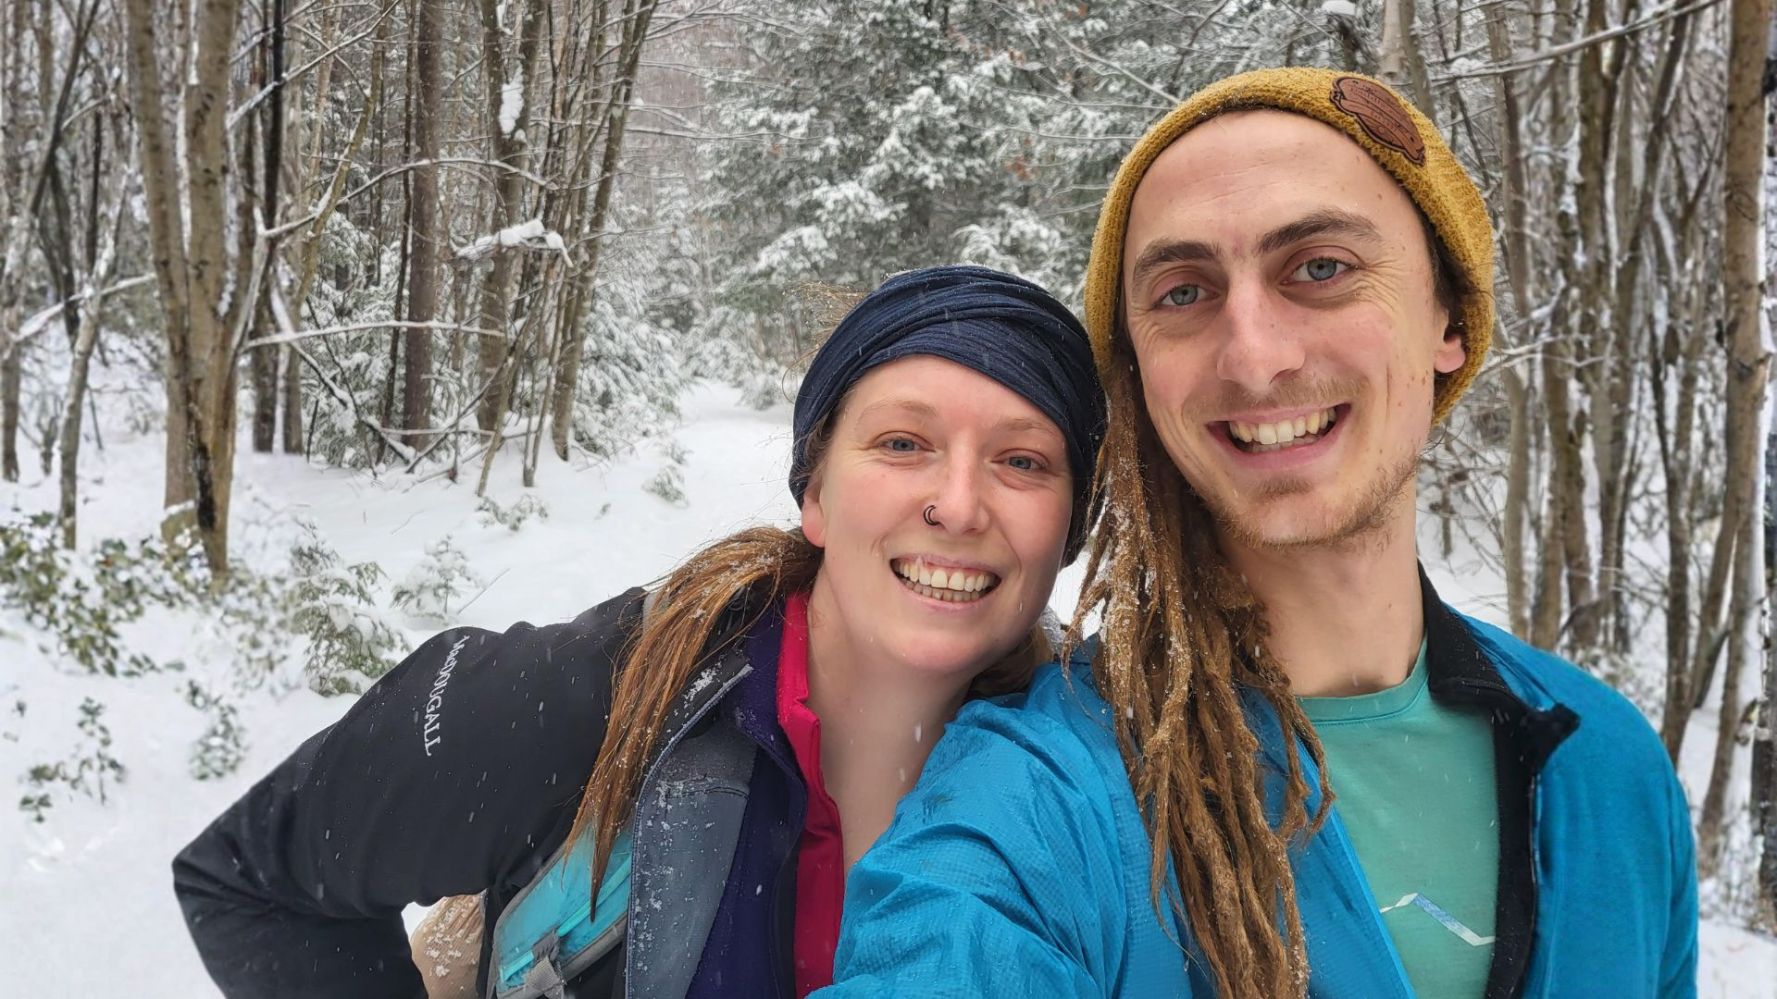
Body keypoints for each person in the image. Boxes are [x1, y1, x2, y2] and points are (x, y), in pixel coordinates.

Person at [822, 68, 1697, 999]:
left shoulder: (1606, 765)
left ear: (1448, 317)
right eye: (1183, 293)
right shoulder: (1046, 789)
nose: (1253, 356)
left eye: (1319, 268)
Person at [171, 264, 1106, 999]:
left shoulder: (1104, 790)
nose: (956, 502)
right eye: (902, 443)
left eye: (1021, 460)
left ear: (1066, 530)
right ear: (814, 492)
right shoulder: (589, 699)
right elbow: (255, 875)